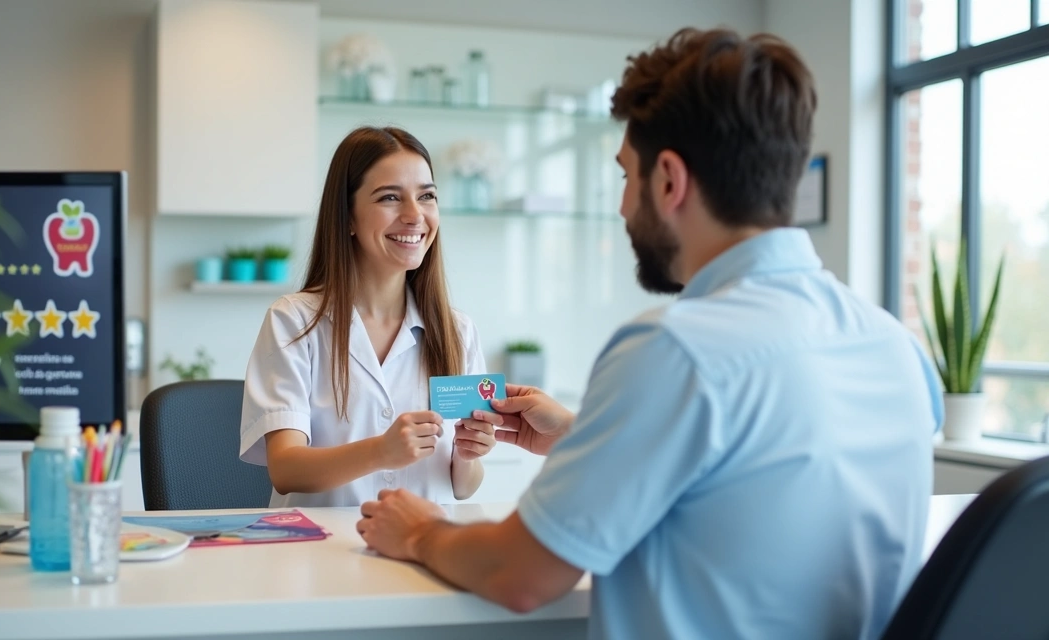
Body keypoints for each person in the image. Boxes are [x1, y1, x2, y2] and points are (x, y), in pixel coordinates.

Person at [356, 28, 943, 639]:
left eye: (625, 177)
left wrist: (420, 530)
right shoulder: (893, 345)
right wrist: (584, 438)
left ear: (669, 180)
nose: (622, 207)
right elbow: (767, 479)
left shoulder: (674, 350)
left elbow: (520, 574)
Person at [240, 126, 496, 508]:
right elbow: (286, 469)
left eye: (427, 196)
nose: (415, 215)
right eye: (390, 197)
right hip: (319, 555)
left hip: (423, 550)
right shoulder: (294, 322)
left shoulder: (458, 332)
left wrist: (469, 454)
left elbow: (463, 486)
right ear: (347, 218)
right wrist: (381, 450)